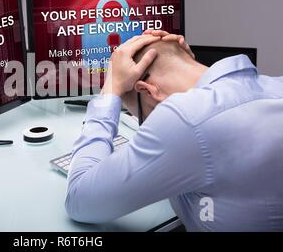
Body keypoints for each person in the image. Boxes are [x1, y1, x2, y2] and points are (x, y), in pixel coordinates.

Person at [65, 30, 283, 231]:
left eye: (140, 116)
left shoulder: (186, 118)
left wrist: (111, 90)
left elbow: (78, 199)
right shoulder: (275, 87)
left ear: (147, 90)